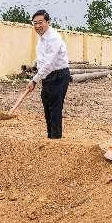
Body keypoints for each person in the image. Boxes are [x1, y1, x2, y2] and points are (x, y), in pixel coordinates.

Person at [26, 10, 71, 139]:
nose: (37, 26)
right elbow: (43, 59)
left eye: (40, 22)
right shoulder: (42, 39)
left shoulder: (53, 38)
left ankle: (55, 140)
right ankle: (50, 138)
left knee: (55, 109)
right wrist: (36, 66)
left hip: (58, 76)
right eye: (35, 23)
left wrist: (34, 80)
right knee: (47, 107)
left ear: (47, 22)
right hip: (47, 76)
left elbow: (49, 63)